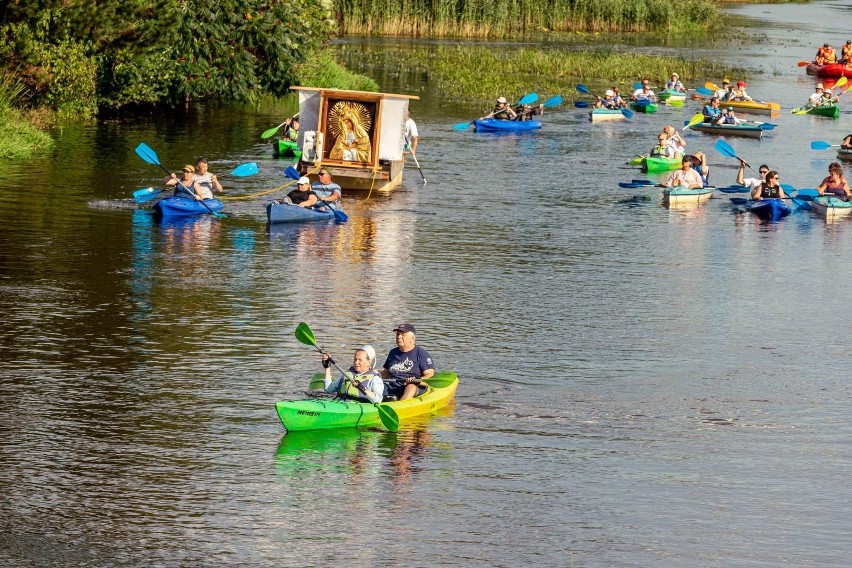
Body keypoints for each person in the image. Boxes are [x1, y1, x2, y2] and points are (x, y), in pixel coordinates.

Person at [381, 323, 435, 401]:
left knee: (410, 387)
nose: (399, 337)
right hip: (393, 387)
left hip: (414, 387)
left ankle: (400, 407)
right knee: (376, 385)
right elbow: (386, 373)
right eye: (398, 334)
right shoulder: (393, 353)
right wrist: (371, 377)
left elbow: (430, 376)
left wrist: (416, 380)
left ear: (412, 338)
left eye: (403, 334)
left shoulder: (421, 354)